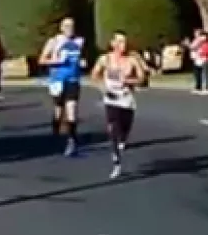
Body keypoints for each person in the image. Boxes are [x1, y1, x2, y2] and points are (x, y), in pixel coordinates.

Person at [91, 31, 146, 179]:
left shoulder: (132, 60)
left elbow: (142, 79)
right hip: (111, 98)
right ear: (113, 43)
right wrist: (103, 88)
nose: (123, 45)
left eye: (125, 42)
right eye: (120, 42)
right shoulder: (105, 59)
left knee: (125, 128)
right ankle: (116, 161)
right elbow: (95, 75)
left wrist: (129, 81)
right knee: (113, 127)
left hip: (126, 99)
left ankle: (122, 140)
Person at [39, 17, 86, 156]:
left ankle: (72, 140)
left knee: (72, 109)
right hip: (57, 80)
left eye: (71, 26)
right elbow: (41, 60)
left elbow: (80, 58)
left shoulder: (79, 42)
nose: (69, 29)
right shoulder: (54, 42)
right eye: (66, 26)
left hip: (73, 80)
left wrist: (82, 63)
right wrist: (56, 61)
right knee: (59, 109)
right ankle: (55, 134)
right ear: (61, 28)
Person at [189, 29, 208, 95]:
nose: (202, 38)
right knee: (199, 74)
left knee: (206, 75)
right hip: (200, 59)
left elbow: (206, 51)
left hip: (205, 59)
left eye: (204, 36)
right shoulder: (202, 43)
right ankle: (200, 88)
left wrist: (200, 52)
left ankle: (207, 89)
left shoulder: (207, 43)